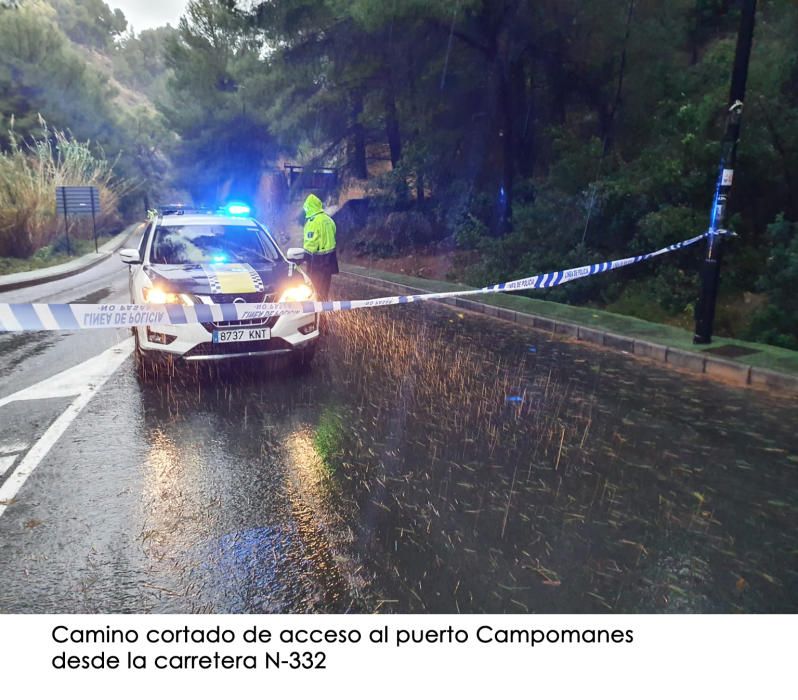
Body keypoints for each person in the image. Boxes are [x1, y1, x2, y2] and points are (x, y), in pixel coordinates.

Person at [301, 193, 338, 301]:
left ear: (309, 207)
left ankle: (316, 316)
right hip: (330, 262)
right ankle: (323, 315)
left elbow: (310, 244)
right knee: (324, 292)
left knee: (314, 293)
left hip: (317, 263)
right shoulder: (329, 220)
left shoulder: (312, 222)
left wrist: (303, 259)